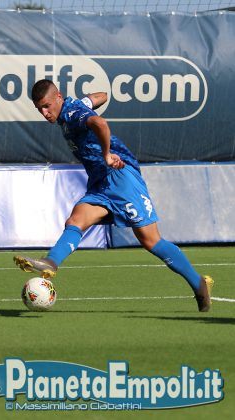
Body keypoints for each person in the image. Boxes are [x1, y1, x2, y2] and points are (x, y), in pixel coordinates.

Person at [13, 80, 213, 312]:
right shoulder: (74, 107)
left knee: (151, 241)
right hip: (100, 182)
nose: (44, 113)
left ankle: (198, 283)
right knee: (76, 220)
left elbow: (100, 123)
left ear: (58, 96)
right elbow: (102, 96)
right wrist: (87, 102)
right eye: (39, 109)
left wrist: (107, 154)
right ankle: (51, 261)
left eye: (47, 106)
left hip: (120, 176)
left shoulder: (72, 112)